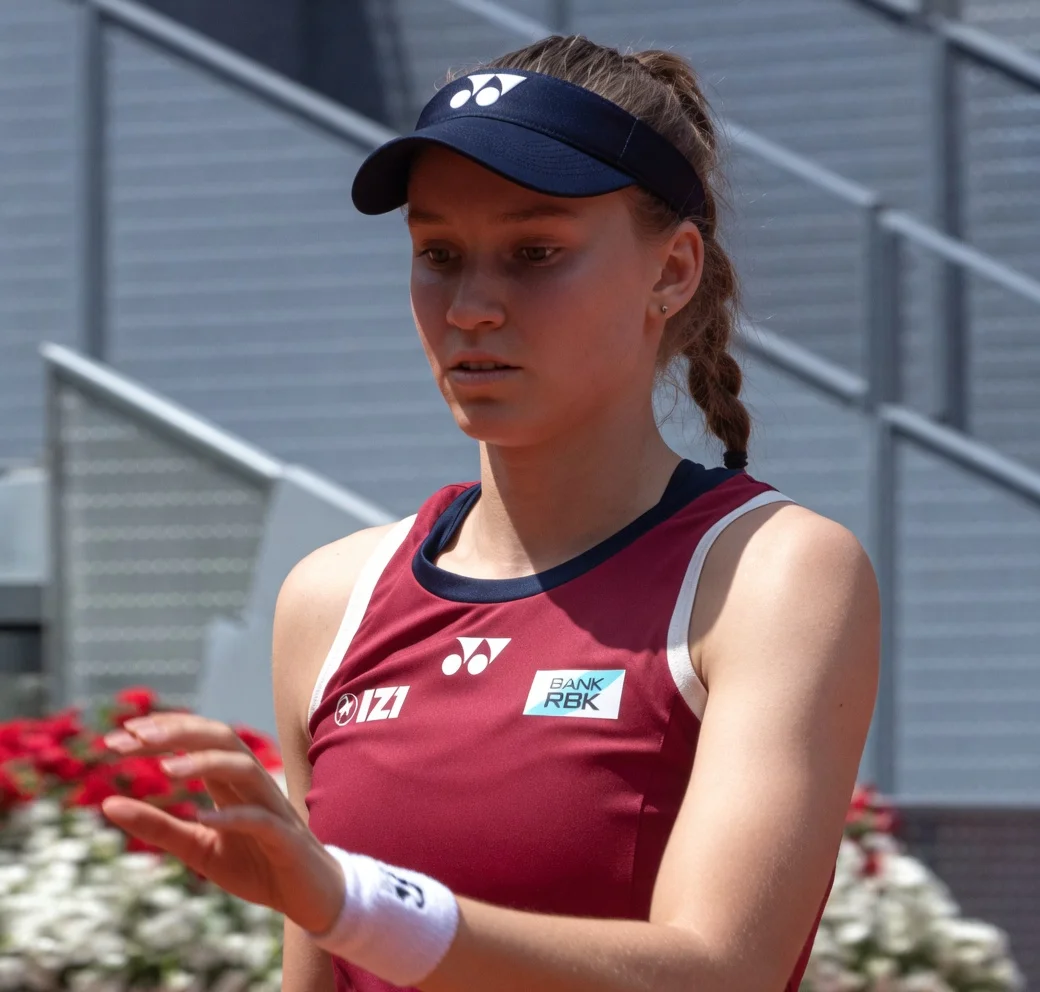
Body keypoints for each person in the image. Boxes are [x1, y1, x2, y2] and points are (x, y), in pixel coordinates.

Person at [100, 34, 880, 992]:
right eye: (439, 253)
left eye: (535, 252)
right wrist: (335, 903)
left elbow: (719, 972)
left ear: (673, 270)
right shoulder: (334, 595)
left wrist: (358, 903)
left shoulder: (773, 572)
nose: (470, 305)